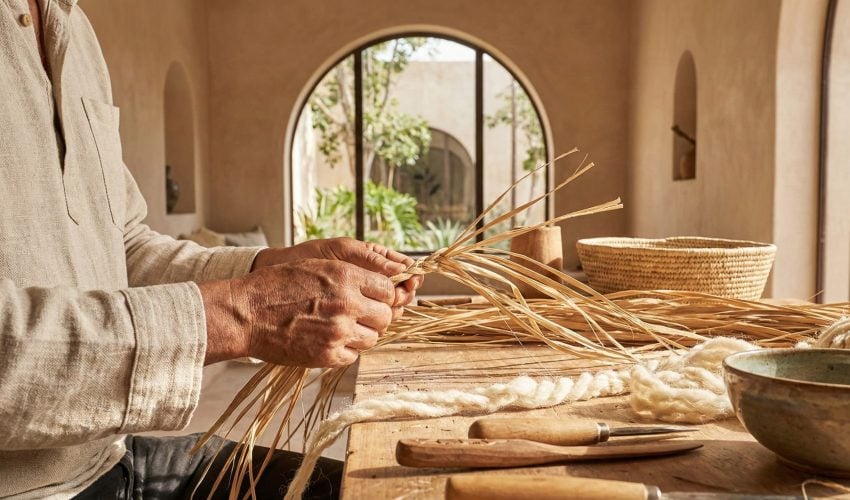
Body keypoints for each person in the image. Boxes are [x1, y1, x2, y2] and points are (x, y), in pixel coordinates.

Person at [0, 1, 421, 498]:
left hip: (110, 454)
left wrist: (269, 268)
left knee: (388, 489)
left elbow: (124, 247)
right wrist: (243, 313)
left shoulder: (71, 22)